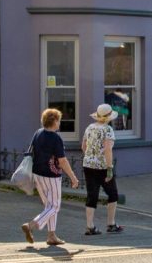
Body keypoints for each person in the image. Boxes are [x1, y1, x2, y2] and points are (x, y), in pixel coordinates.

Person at [21, 108, 79, 246]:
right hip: (52, 176)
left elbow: (31, 151)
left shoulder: (38, 133)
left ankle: (51, 236)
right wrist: (73, 177)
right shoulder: (55, 138)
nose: (60, 123)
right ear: (54, 121)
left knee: (49, 205)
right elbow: (62, 161)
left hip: (37, 173)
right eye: (59, 120)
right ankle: (31, 225)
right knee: (55, 206)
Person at [80, 103, 122, 236]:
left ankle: (90, 226)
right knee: (113, 194)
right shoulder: (108, 130)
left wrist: (91, 157)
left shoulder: (89, 128)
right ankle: (111, 224)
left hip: (88, 165)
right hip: (103, 167)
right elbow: (108, 150)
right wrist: (109, 168)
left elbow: (83, 146)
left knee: (92, 195)